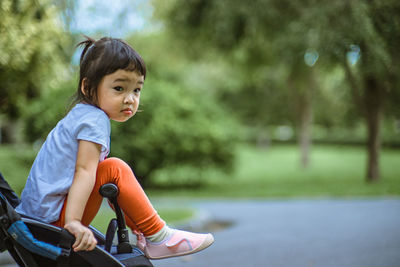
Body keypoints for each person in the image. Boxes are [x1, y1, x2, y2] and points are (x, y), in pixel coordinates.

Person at [15, 36, 214, 260]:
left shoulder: (82, 114)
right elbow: (85, 171)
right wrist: (72, 223)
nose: (130, 98)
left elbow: (95, 180)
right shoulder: (94, 119)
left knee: (109, 172)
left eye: (136, 90)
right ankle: (160, 236)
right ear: (88, 87)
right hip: (52, 225)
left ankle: (148, 232)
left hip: (36, 223)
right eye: (119, 88)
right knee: (114, 169)